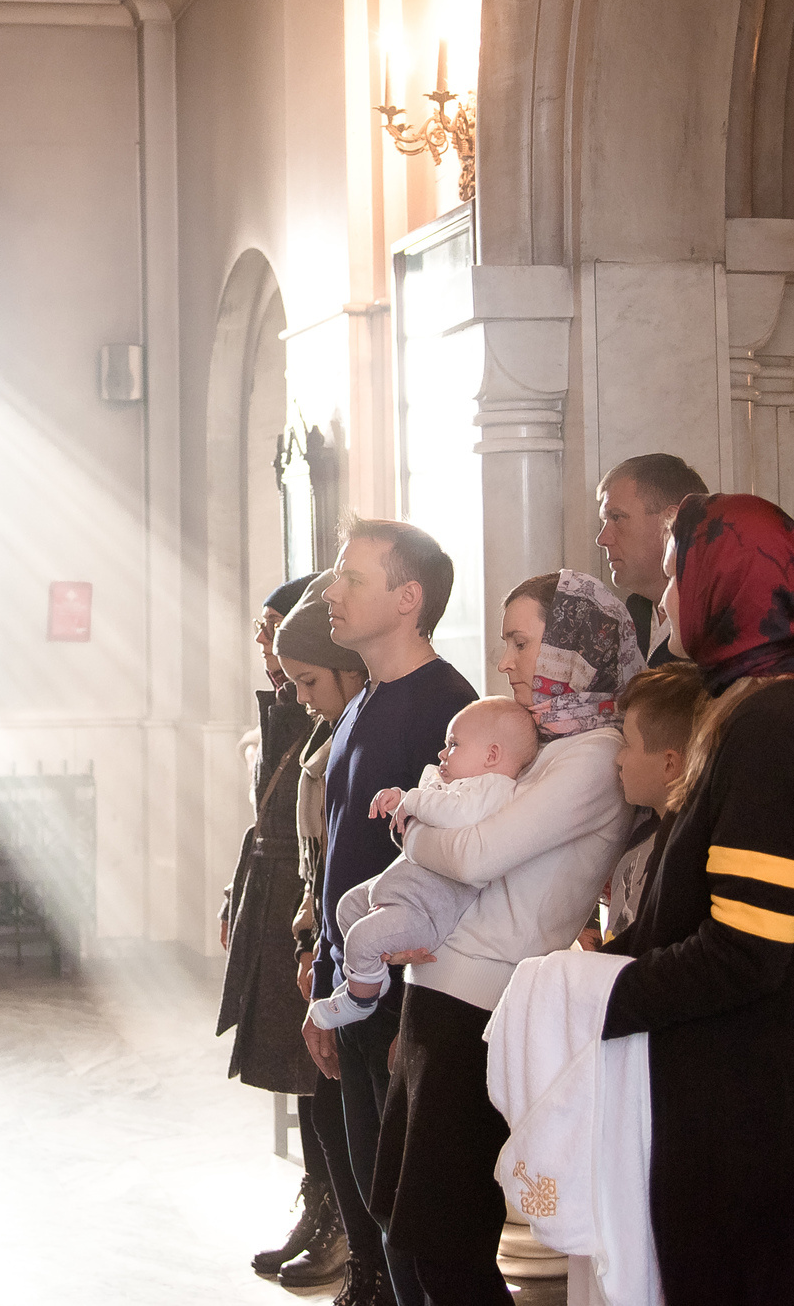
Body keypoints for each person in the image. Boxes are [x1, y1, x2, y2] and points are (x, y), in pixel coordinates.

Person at [603, 492, 794, 1305]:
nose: (666, 599)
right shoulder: (750, 704)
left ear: (725, 585)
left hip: (750, 1119)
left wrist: (596, 996)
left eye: (679, 575)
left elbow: (745, 952)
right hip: (729, 1104)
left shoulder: (773, 724)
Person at [371, 568, 639, 1306]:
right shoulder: (549, 742)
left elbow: (476, 856)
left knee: (447, 1244)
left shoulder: (593, 756)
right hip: (443, 994)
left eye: (521, 643)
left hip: (481, 1005)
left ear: (573, 650)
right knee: (406, 1223)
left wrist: (411, 826)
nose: (505, 662)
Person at [300, 519, 477, 1306]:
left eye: (352, 578)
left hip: (409, 1003)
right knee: (381, 1209)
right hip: (359, 993)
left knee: (418, 1230)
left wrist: (414, 1016)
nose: (332, 592)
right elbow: (346, 854)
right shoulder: (362, 701)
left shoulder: (448, 709)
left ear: (409, 599)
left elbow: (454, 877)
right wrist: (327, 987)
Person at [216, 572, 342, 1285]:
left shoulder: (320, 711)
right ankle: (317, 1205)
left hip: (306, 898)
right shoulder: (289, 708)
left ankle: (338, 1221)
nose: (264, 645)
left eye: (274, 629)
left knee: (318, 1071)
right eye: (262, 633)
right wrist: (235, 893)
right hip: (277, 894)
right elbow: (266, 815)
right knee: (297, 1069)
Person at [247, 578, 370, 1288]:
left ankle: (351, 1243)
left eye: (307, 680)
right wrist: (305, 937)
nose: (296, 693)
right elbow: (309, 851)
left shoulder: (367, 722)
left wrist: (320, 941)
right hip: (318, 934)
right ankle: (327, 1217)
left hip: (355, 951)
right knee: (320, 1103)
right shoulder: (324, 718)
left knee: (344, 1111)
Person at [309, 700, 540, 1027]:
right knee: (347, 907)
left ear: (491, 756)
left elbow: (454, 812)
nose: (442, 753)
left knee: (362, 937)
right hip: (401, 889)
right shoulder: (461, 786)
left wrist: (412, 800)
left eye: (453, 744)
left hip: (425, 910)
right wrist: (401, 799)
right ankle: (372, 977)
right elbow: (432, 809)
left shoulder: (494, 789)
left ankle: (360, 1001)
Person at [601, 661, 700, 941]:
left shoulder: (685, 865)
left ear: (669, 764)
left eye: (627, 744)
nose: (619, 758)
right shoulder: (641, 840)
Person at [595, 453, 708, 664]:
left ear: (673, 521)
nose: (602, 539)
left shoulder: (714, 626)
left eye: (617, 517)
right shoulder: (633, 613)